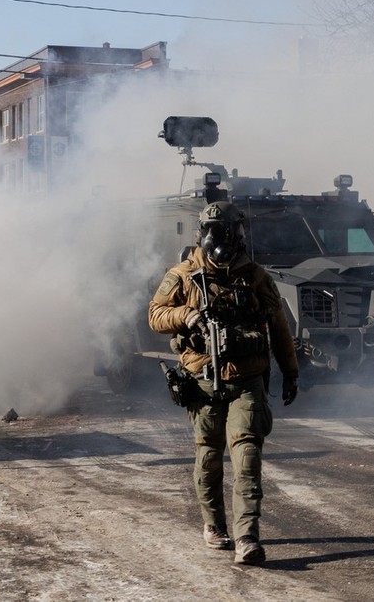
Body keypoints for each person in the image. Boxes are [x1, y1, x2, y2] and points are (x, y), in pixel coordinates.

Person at [148, 200, 300, 565]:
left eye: (229, 231)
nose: (222, 240)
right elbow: (155, 315)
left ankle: (247, 536)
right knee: (209, 457)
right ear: (202, 234)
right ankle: (214, 525)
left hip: (247, 379)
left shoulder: (256, 277)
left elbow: (280, 328)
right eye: (215, 232)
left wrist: (290, 371)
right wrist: (188, 315)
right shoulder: (184, 275)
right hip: (202, 380)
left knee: (247, 456)